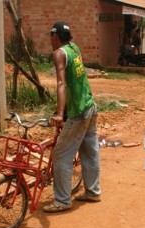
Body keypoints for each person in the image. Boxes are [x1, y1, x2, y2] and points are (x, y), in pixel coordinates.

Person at [43, 22, 101, 213]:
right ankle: (93, 191)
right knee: (90, 151)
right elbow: (75, 80)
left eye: (51, 37)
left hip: (79, 112)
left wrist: (60, 114)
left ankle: (62, 200)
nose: (50, 41)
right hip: (90, 106)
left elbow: (62, 83)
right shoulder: (74, 48)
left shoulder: (60, 53)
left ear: (55, 36)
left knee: (60, 154)